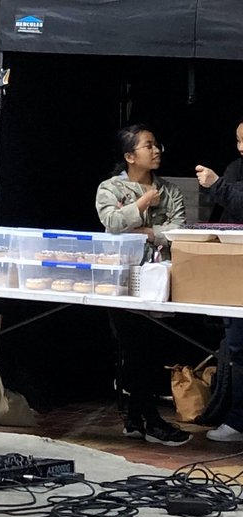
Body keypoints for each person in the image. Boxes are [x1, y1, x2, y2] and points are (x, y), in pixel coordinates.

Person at [94, 125, 190, 446]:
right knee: (134, 348)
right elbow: (112, 223)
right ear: (130, 156)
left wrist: (146, 232)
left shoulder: (170, 190)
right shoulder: (110, 188)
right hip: (122, 279)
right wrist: (142, 203)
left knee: (151, 348)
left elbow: (178, 229)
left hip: (159, 280)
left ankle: (136, 419)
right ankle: (151, 420)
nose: (156, 150)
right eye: (148, 145)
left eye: (156, 144)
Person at [195, 150, 243, 443]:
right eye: (239, 140)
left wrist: (218, 184)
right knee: (237, 347)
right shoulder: (236, 168)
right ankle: (238, 421)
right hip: (235, 270)